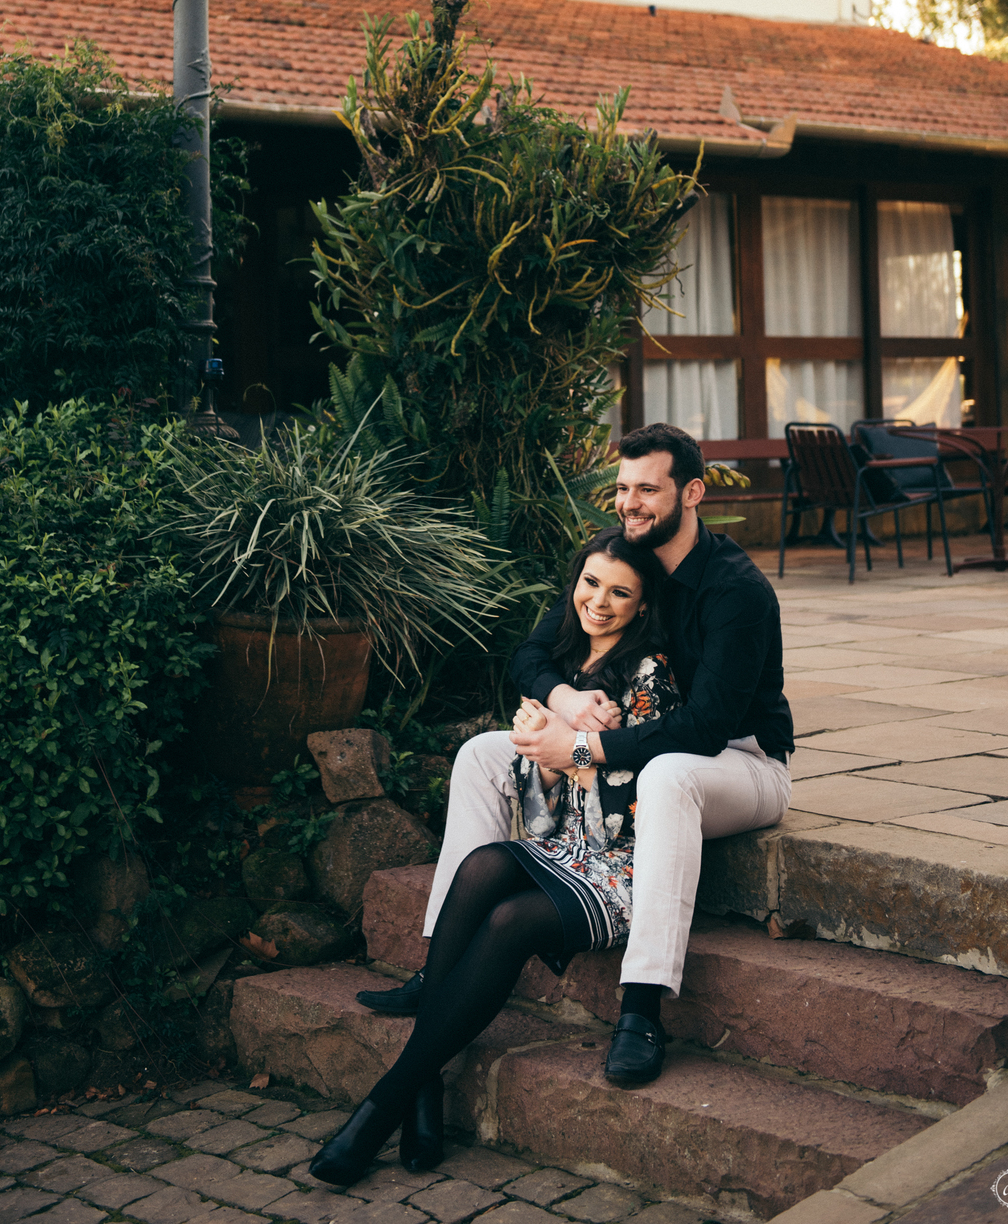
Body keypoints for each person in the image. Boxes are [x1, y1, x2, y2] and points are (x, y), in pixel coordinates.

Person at [358, 421, 793, 1090]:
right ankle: (438, 968)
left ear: (693, 492)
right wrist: (565, 700)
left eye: (648, 488)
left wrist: (584, 746)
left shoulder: (735, 590)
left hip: (744, 761)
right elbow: (532, 653)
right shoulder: (628, 558)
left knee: (673, 774)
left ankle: (642, 1008)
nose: (630, 502)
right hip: (636, 743)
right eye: (623, 487)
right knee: (480, 753)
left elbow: (707, 726)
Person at [311, 528, 673, 1188]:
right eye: (591, 583)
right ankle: (423, 1098)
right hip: (562, 848)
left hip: (622, 871)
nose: (600, 600)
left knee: (508, 920)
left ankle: (384, 1104)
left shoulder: (650, 676)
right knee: (482, 866)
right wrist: (544, 754)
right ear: (574, 585)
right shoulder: (565, 668)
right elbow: (539, 820)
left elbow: (639, 810)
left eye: (620, 591)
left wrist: (580, 761)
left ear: (642, 605)